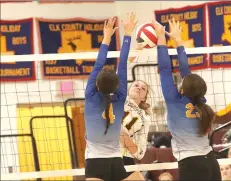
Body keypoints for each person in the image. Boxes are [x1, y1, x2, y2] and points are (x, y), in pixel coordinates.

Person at [153, 18, 221, 180]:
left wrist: (161, 39)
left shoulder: (173, 99)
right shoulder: (200, 101)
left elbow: (164, 68)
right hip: (210, 162)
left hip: (192, 163)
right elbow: (185, 71)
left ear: (183, 88)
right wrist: (177, 40)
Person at [84, 13, 142, 181]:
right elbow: (122, 63)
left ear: (96, 83)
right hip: (116, 161)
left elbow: (99, 63)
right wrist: (128, 33)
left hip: (95, 161)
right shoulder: (121, 95)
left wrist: (106, 37)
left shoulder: (90, 94)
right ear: (116, 85)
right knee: (137, 177)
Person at [120, 80, 151, 176]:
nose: (138, 88)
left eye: (143, 89)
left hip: (124, 158)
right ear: (128, 90)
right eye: (136, 85)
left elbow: (140, 153)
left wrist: (124, 138)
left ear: (144, 98)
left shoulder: (145, 118)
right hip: (103, 153)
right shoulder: (118, 100)